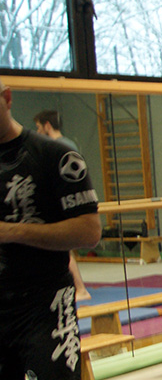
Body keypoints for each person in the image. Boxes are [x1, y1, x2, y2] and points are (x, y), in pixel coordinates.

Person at [0, 78, 151, 380]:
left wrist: (12, 232)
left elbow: (89, 232)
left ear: (6, 97)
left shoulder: (54, 156)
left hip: (43, 302)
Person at [33, 110, 90, 301]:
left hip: (66, 203)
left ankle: (80, 288)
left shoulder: (56, 148)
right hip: (70, 202)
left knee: (64, 249)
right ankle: (77, 287)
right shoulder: (69, 144)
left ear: (47, 126)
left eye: (39, 127)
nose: (37, 132)